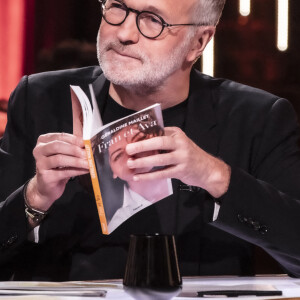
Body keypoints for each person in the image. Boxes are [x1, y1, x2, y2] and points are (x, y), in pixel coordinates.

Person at [1, 0, 300, 281]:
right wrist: (34, 198)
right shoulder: (38, 99)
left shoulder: (256, 118)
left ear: (198, 42)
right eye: (118, 7)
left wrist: (215, 175)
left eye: (153, 20)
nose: (125, 32)